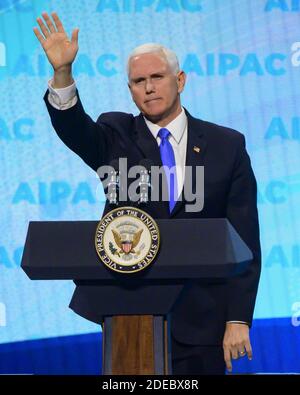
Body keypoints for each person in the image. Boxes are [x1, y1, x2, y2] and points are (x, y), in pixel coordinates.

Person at [33, 12, 261, 375]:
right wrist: (63, 74)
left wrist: (238, 319)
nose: (149, 87)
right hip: (130, 315)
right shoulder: (115, 134)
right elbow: (75, 130)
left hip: (204, 320)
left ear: (180, 80)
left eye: (157, 77)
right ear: (130, 90)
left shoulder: (226, 144)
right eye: (139, 81)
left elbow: (245, 238)